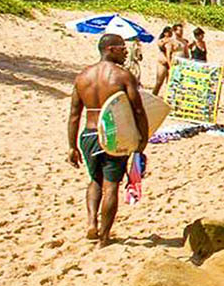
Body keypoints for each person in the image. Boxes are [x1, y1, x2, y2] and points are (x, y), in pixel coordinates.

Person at [68, 34, 149, 247]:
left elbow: (74, 114)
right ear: (110, 49)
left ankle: (91, 222)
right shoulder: (122, 76)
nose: (125, 52)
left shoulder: (82, 76)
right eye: (122, 48)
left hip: (89, 134)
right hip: (114, 134)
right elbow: (138, 110)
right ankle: (104, 237)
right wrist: (143, 139)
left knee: (95, 180)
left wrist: (72, 146)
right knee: (111, 185)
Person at [151, 26, 173, 95]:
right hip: (162, 62)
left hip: (169, 62)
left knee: (170, 83)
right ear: (164, 33)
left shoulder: (171, 41)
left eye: (171, 32)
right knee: (159, 82)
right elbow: (160, 45)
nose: (170, 34)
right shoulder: (161, 40)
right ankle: (153, 95)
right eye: (169, 32)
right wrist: (167, 41)